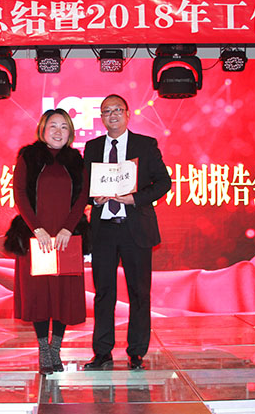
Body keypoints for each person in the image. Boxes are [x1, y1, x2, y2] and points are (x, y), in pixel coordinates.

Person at [83, 94, 171, 370]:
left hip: (136, 229)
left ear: (127, 114)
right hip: (104, 231)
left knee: (139, 293)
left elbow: (164, 183)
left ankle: (136, 352)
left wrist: (135, 198)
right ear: (101, 117)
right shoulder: (92, 147)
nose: (112, 115)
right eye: (106, 111)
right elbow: (84, 186)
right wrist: (93, 198)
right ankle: (102, 352)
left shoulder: (145, 145)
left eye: (117, 110)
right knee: (104, 293)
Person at [4, 108, 90, 375]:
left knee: (63, 294)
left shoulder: (75, 160)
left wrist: (68, 229)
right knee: (39, 295)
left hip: (66, 238)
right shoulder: (29, 157)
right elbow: (20, 194)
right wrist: (37, 229)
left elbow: (83, 196)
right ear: (42, 129)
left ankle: (55, 349)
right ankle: (43, 349)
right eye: (53, 126)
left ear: (70, 133)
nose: (58, 132)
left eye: (64, 127)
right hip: (36, 238)